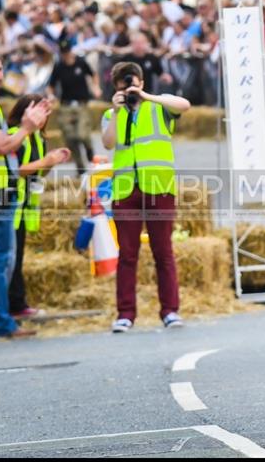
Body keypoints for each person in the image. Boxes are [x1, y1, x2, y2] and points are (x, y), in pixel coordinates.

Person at [101, 61, 191, 332]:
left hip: (158, 187)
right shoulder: (110, 113)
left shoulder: (159, 107)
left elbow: (184, 105)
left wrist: (145, 96)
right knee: (127, 254)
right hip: (126, 189)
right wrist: (117, 111)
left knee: (163, 252)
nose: (129, 87)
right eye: (123, 83)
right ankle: (125, 313)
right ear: (115, 87)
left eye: (133, 81)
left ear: (141, 81)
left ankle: (170, 311)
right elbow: (108, 143)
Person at [0, 51, 50, 339]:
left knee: (2, 257)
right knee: (0, 258)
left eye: (0, 69)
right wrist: (28, 127)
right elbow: (1, 147)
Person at [6, 94, 71, 318]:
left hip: (24, 208)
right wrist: (46, 162)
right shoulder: (15, 136)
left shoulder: (38, 138)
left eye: (46, 113)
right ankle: (13, 305)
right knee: (9, 259)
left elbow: (38, 172)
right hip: (10, 204)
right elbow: (18, 169)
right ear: (26, 112)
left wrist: (52, 161)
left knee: (18, 257)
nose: (43, 117)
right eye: (40, 111)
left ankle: (17, 304)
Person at [46, 40, 102, 176]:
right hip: (66, 105)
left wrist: (96, 87)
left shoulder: (81, 63)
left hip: (81, 104)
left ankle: (90, 152)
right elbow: (51, 85)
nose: (66, 55)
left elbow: (93, 74)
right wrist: (50, 95)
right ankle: (81, 168)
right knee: (70, 138)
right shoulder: (59, 66)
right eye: (63, 53)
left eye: (67, 52)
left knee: (82, 134)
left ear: (71, 51)